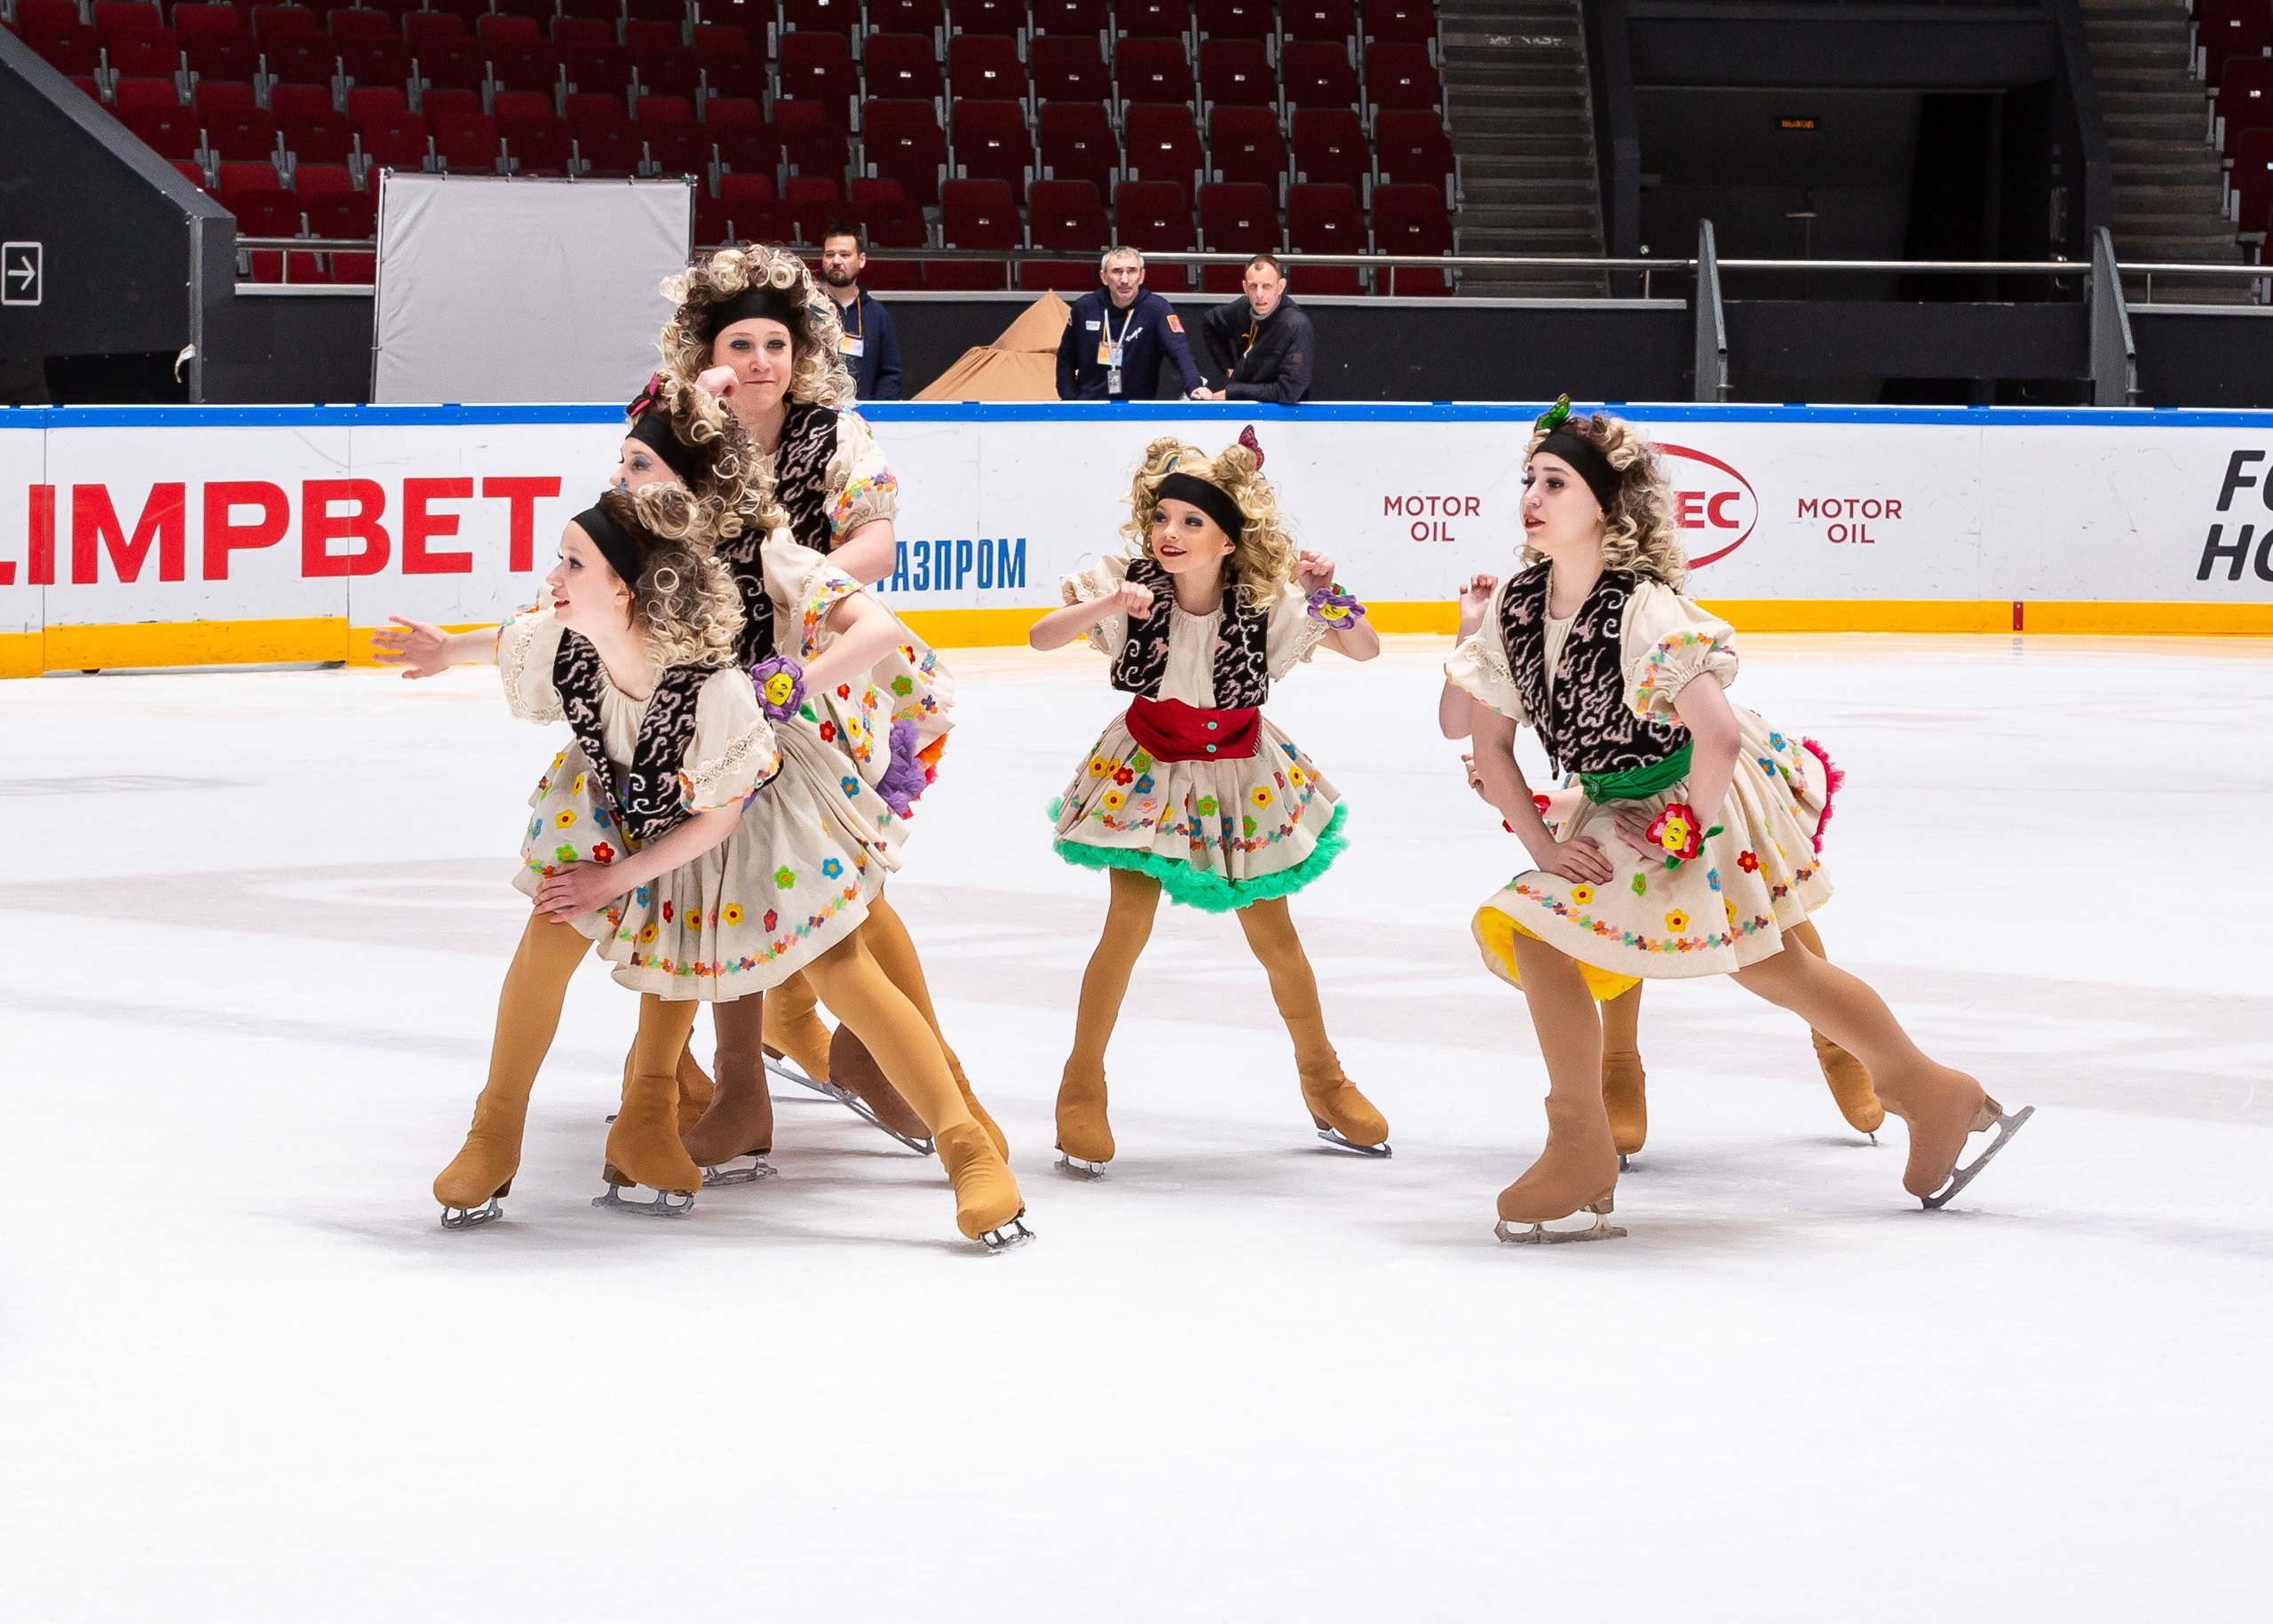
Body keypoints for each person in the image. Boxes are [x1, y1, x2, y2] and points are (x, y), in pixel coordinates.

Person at [1440, 398, 2031, 1242]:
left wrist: (1684, 825)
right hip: (1620, 797)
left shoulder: (1645, 608)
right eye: (1530, 479)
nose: (1532, 495)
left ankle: (1583, 1141)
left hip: (1695, 792)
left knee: (1703, 953)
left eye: (1556, 481)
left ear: (1606, 505)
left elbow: (1715, 735)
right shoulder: (1523, 604)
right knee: (1757, 960)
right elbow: (1483, 740)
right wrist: (1543, 846)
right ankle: (1929, 1089)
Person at [376, 485, 1031, 1248]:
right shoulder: (562, 640)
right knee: (548, 928)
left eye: (571, 563)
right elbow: (506, 640)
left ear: (624, 589)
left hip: (742, 824)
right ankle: (494, 1134)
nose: (551, 577)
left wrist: (616, 879)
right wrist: (441, 649)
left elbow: (720, 817)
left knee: (841, 967)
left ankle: (968, 1148)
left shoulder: (712, 689)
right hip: (626, 812)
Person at [653, 244, 1004, 1160]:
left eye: (778, 341)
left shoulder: (834, 434)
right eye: (742, 342)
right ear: (704, 355)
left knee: (846, 879)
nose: (764, 359)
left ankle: (909, 1064)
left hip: (818, 666)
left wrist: (780, 588)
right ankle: (732, 1063)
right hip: (709, 674)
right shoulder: (681, 432)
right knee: (717, 863)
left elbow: (876, 546)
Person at [1026, 428, 1390, 1172]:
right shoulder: (1128, 585)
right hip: (1148, 767)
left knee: (1277, 938)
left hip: (1239, 772)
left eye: (1193, 521)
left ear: (1229, 539)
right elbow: (1039, 637)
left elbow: (1367, 648)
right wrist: (1105, 600)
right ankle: (1080, 1083)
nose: (1171, 533)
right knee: (1125, 923)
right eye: (1162, 517)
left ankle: (1324, 1077)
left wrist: (1328, 592)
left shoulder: (1265, 604)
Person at [1445, 572, 1884, 1166]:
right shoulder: (1533, 611)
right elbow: (1463, 724)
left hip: (1697, 769)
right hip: (1613, 779)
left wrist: (1686, 818)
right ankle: (1619, 1061)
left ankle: (1838, 1043)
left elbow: (1705, 725)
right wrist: (1473, 630)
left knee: (1763, 902)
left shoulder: (1642, 605)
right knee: (1617, 905)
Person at [1056, 246, 1210, 403]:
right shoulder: (1084, 307)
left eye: (1131, 271)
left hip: (1136, 412)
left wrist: (1194, 385)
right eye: (1117, 271)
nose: (1124, 280)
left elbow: (1180, 351)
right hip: (1088, 409)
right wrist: (1070, 399)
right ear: (1103, 277)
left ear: (1142, 275)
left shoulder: (1157, 309)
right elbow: (1065, 357)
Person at [1197, 254, 1315, 406]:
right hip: (1242, 409)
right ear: (1245, 287)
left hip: (1283, 417)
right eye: (1253, 286)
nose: (1259, 294)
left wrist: (1235, 392)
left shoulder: (1296, 325)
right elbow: (1209, 322)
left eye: (1267, 286)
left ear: (1280, 287)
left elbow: (1289, 391)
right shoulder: (1242, 307)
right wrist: (1228, 367)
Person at [818, 224, 902, 402]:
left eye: (845, 254)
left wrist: (874, 415)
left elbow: (890, 374)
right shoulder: (808, 309)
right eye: (830, 254)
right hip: (814, 416)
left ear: (861, 260)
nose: (836, 261)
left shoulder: (877, 315)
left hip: (862, 418)